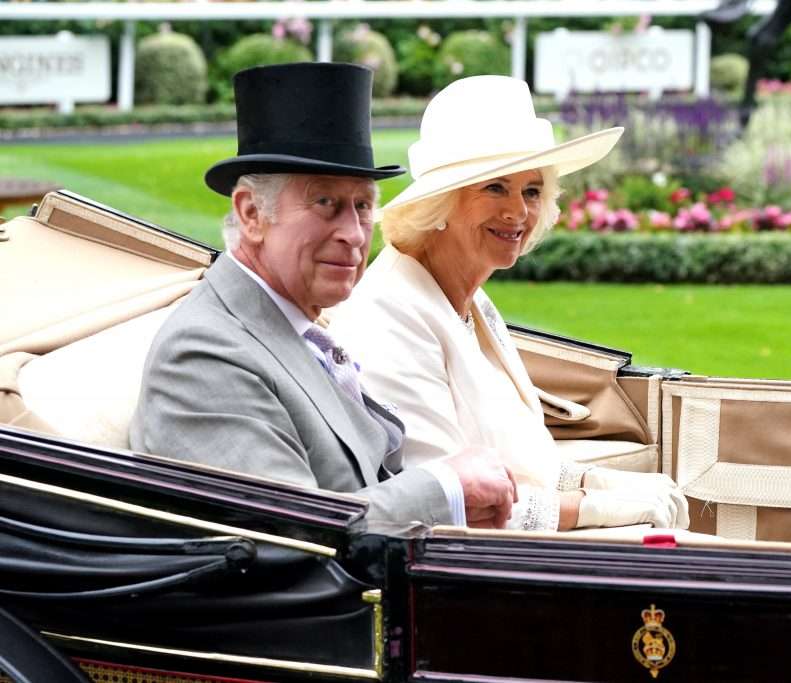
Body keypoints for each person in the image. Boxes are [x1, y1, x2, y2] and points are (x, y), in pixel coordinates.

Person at [130, 63, 517, 529]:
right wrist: (446, 487)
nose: (353, 234)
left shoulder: (293, 327)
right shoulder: (203, 355)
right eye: (325, 204)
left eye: (362, 206)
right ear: (252, 214)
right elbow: (294, 534)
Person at [334, 76, 689, 532]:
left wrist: (597, 480)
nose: (518, 212)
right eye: (496, 188)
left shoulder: (470, 299)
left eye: (532, 190)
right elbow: (451, 507)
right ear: (441, 203)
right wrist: (595, 506)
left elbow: (520, 460)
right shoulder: (389, 315)